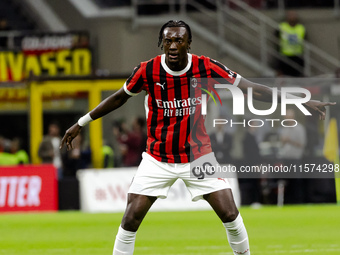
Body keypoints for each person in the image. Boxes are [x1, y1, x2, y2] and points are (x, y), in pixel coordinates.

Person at [60, 20, 334, 255]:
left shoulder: (206, 67)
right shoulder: (147, 70)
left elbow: (252, 89)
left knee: (229, 213)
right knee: (131, 217)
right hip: (157, 158)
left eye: (179, 40)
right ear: (161, 43)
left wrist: (298, 101)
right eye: (168, 41)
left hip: (197, 156)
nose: (173, 46)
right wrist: (82, 122)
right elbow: (119, 97)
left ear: (189, 43)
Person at [279, 108, 307, 203]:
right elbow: (282, 143)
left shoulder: (299, 128)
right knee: (287, 182)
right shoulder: (284, 128)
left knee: (296, 181)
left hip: (296, 159)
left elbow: (302, 144)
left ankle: (298, 201)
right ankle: (288, 202)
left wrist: (289, 140)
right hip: (286, 159)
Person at [276, 11, 306, 77]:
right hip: (285, 55)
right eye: (290, 15)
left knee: (297, 75)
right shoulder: (282, 26)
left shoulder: (301, 28)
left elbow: (305, 40)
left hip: (297, 55)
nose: (292, 17)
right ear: (287, 17)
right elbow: (276, 38)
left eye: (293, 15)